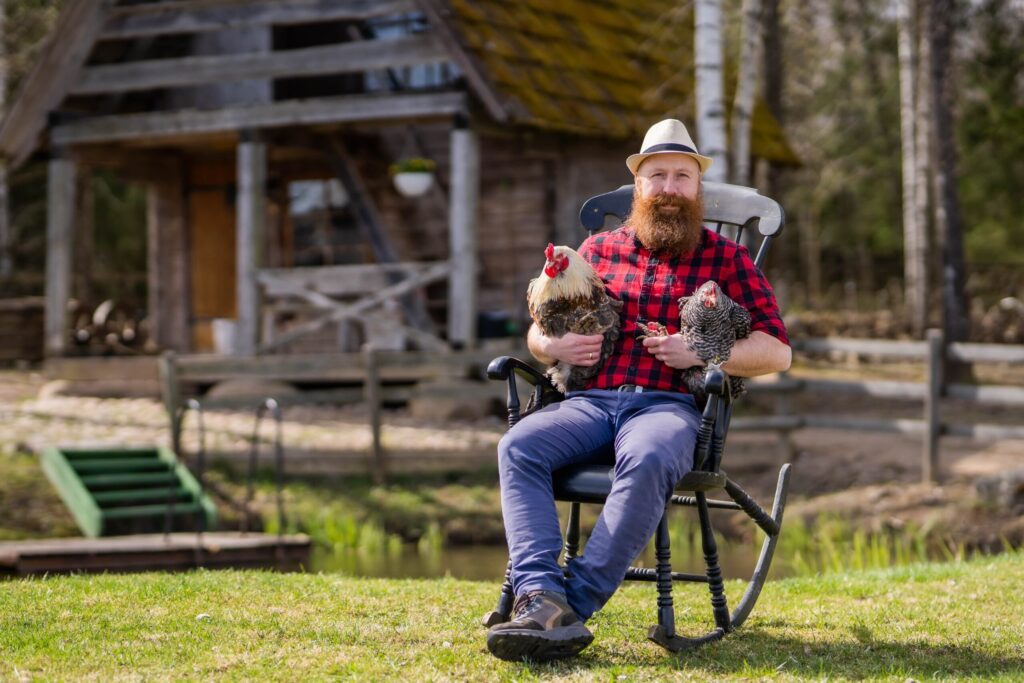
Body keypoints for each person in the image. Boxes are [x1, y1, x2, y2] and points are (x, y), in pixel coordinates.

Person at [486, 119, 791, 662]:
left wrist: (703, 352)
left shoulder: (728, 260)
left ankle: (567, 605)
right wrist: (553, 348)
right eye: (657, 176)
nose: (669, 188)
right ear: (638, 187)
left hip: (667, 409)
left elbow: (778, 352)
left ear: (696, 187)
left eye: (681, 176)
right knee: (519, 446)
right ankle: (538, 592)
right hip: (587, 403)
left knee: (649, 458)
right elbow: (538, 329)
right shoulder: (598, 249)